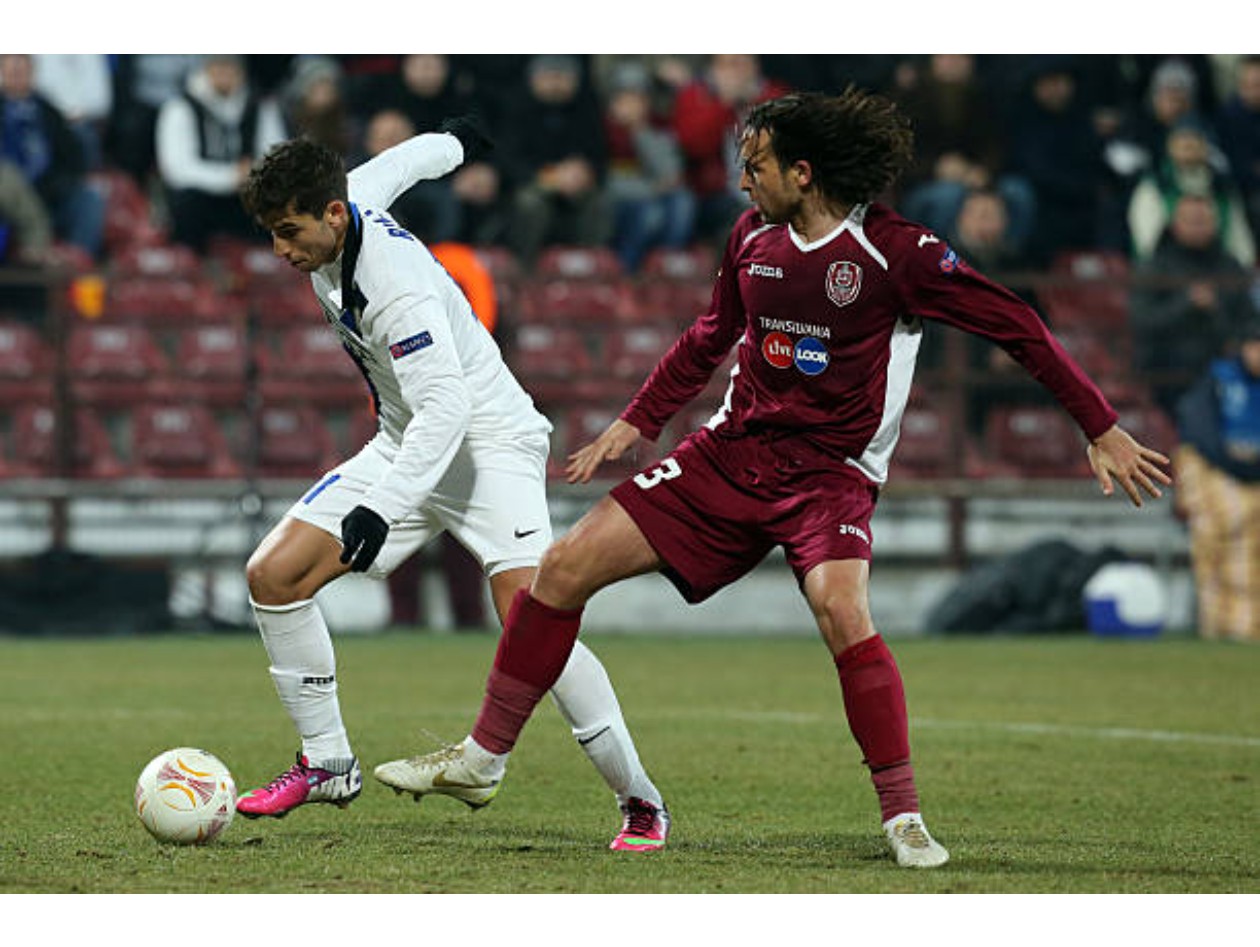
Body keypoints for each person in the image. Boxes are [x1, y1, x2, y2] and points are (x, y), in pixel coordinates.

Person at [372, 89, 1174, 869]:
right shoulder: (752, 236)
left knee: (840, 608)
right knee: (564, 567)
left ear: (805, 172)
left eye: (754, 164)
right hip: (731, 453)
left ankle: (903, 816)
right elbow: (712, 332)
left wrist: (1099, 425)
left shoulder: (898, 254)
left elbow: (1018, 325)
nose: (741, 178)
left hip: (831, 473)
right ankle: (483, 757)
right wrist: (640, 418)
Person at [234, 117, 669, 852]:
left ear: (332, 215)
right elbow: (403, 164)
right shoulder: (347, 203)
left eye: (288, 231)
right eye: (272, 233)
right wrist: (457, 141)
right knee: (273, 574)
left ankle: (641, 801)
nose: (281, 250)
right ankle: (328, 762)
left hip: (487, 445)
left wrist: (382, 504)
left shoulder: (394, 288)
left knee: (535, 621)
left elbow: (450, 408)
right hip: (409, 441)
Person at [1130, 192, 1259, 414]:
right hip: (1168, 376)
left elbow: (1248, 320)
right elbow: (1141, 321)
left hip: (1227, 371)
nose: (1198, 227)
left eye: (1204, 221)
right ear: (1175, 224)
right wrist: (1186, 303)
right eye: (1192, 221)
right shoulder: (1155, 267)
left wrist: (1246, 343)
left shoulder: (1230, 266)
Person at [1174, 319, 1260, 643]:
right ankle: (1223, 623)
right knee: (1227, 524)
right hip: (1221, 470)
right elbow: (1200, 434)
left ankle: (1247, 625)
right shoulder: (1218, 380)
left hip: (1251, 471)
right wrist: (1240, 468)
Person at [155, 54, 287, 251]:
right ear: (206, 69)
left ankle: (268, 269)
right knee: (186, 203)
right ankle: (190, 267)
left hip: (245, 197)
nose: (225, 73)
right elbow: (177, 170)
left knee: (278, 201)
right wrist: (232, 176)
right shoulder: (180, 108)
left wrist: (254, 174)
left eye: (230, 66)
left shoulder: (259, 105)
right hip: (201, 199)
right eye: (218, 66)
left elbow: (279, 157)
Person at [0, 53, 105, 259]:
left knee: (89, 198)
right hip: (6, 196)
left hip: (47, 191)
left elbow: (72, 158)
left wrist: (57, 183)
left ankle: (76, 269)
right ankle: (37, 251)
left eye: (22, 70)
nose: (17, 75)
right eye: (11, 70)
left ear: (33, 72)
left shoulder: (48, 111)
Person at [1127, 115, 1256, 269]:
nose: (1188, 145)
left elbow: (1240, 240)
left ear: (1207, 147)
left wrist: (1242, 274)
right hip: (1167, 275)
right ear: (1170, 147)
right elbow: (1147, 240)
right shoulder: (1154, 187)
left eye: (1195, 140)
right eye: (1182, 140)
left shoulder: (1223, 189)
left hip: (1219, 273)